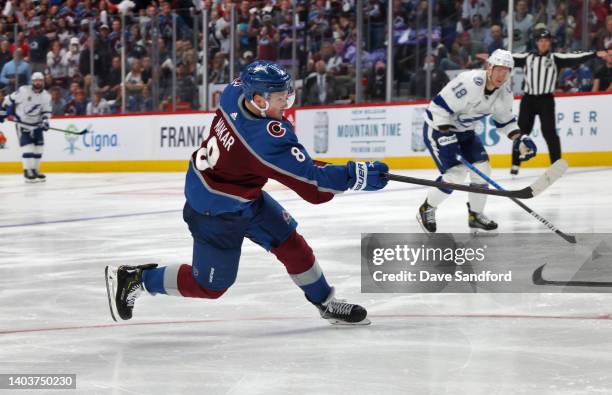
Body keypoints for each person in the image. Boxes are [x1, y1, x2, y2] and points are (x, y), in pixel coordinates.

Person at [105, 61, 389, 325]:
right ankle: (138, 279)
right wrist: (358, 174)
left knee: (291, 244)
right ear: (259, 100)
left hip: (240, 195)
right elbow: (314, 186)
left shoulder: (234, 93)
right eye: (281, 99)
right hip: (215, 212)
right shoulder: (263, 140)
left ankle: (326, 303)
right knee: (210, 286)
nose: (286, 105)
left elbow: (299, 168)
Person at [417, 49, 537, 234]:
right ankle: (427, 209)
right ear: (489, 67)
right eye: (499, 69)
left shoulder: (504, 92)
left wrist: (520, 139)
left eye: (507, 71)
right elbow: (439, 107)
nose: (502, 74)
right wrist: (445, 136)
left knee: (482, 170)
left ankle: (475, 215)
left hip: (465, 133)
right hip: (438, 129)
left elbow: (505, 121)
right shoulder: (469, 82)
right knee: (456, 175)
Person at [508, 29, 607, 174]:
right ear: (536, 42)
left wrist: (594, 54)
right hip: (528, 99)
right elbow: (508, 57)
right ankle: (515, 164)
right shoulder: (527, 57)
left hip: (546, 100)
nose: (543, 43)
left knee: (549, 132)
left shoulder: (555, 58)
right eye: (541, 41)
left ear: (549, 43)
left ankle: (556, 165)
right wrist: (491, 57)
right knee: (522, 132)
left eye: (546, 41)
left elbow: (575, 57)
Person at [0, 72, 51, 182]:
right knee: (28, 147)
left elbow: (46, 112)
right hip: (23, 124)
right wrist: (3, 111)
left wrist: (45, 121)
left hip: (37, 125)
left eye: (40, 80)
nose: (38, 82)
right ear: (32, 82)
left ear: (43, 82)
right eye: (35, 80)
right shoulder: (23, 91)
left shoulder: (46, 96)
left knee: (39, 148)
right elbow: (8, 100)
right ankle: (27, 171)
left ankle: (35, 170)